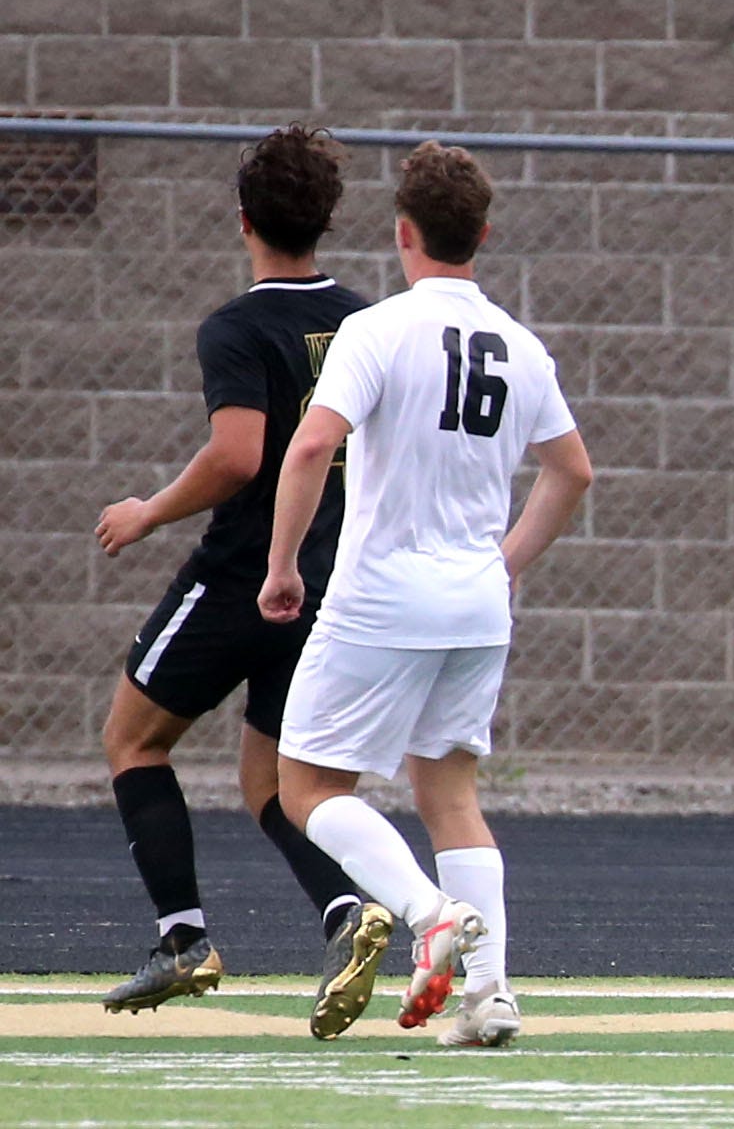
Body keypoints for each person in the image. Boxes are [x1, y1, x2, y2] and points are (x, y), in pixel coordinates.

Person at [262, 141, 593, 1049]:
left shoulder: (377, 330)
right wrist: (506, 561)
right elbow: (572, 472)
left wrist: (282, 566)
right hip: (476, 604)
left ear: (402, 233)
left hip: (383, 595)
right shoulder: (521, 346)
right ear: (480, 235)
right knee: (450, 792)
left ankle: (424, 914)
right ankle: (489, 998)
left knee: (305, 784)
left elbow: (305, 448)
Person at [90, 125, 390, 1035]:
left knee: (134, 740)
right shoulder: (370, 321)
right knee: (274, 781)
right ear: (326, 220)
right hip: (333, 581)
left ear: (244, 220)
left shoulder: (235, 324)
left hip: (243, 575)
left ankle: (183, 940)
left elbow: (235, 456)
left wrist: (146, 511)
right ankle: (348, 912)